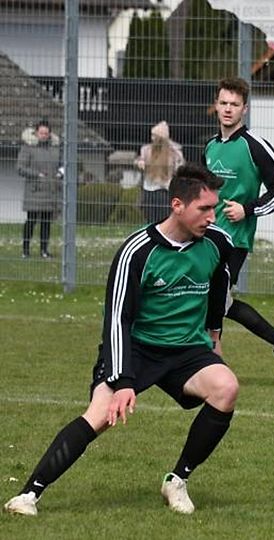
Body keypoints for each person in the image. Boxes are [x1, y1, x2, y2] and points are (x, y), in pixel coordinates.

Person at [3, 164, 237, 516]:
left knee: (226, 388)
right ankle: (28, 495)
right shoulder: (137, 252)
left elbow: (220, 289)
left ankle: (177, 480)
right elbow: (117, 319)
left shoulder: (218, 242)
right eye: (204, 208)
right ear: (177, 205)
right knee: (100, 415)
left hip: (187, 350)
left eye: (214, 208)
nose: (212, 216)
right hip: (135, 349)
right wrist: (124, 380)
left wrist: (214, 336)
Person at [204, 77, 274, 381]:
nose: (228, 109)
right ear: (216, 106)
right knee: (220, 300)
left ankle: (212, 357)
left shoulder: (254, 145)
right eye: (223, 103)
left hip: (234, 240)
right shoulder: (210, 146)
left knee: (214, 296)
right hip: (206, 237)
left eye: (234, 104)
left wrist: (248, 209)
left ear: (244, 109)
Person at [17, 119, 62, 259]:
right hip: (34, 191)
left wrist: (60, 173)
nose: (44, 135)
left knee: (46, 223)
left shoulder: (55, 148)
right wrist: (37, 175)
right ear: (36, 132)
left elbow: (62, 163)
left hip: (50, 191)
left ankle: (44, 250)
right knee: (31, 221)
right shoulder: (28, 147)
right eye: (41, 132)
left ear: (49, 134)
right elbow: (20, 168)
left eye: (46, 133)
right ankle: (25, 250)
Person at [136, 120, 185, 223]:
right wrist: (139, 162)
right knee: (150, 219)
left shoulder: (172, 152)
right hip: (148, 189)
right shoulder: (146, 150)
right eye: (152, 135)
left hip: (164, 190)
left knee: (163, 220)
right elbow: (139, 160)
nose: (152, 138)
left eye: (155, 136)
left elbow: (180, 165)